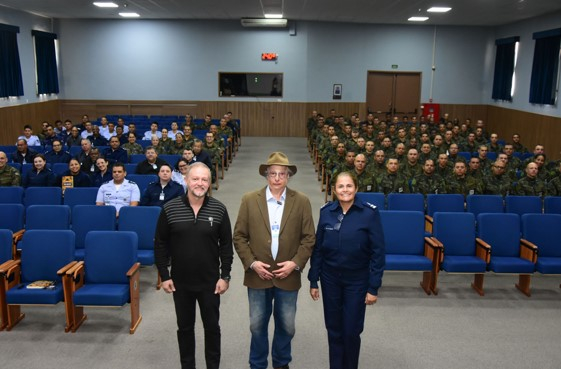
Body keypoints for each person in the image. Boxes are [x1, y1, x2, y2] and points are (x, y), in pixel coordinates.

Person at [233, 152, 315, 369]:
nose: (277, 178)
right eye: (273, 174)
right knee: (257, 325)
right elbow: (239, 236)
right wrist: (252, 263)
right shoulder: (250, 200)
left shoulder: (302, 201)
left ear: (288, 176)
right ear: (266, 175)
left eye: (282, 174)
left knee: (287, 326)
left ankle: (281, 362)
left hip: (288, 276)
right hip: (257, 275)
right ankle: (258, 363)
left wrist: (295, 263)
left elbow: (309, 238)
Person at [155, 162, 233, 369]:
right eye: (195, 179)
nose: (200, 183)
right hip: (180, 283)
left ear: (209, 183)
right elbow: (160, 244)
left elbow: (226, 246)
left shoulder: (219, 209)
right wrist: (165, 275)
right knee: (185, 329)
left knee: (212, 328)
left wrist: (225, 276)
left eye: (204, 179)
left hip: (210, 283)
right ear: (187, 180)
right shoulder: (170, 208)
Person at [308, 171, 385, 369]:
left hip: (357, 280)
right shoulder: (326, 212)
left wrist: (373, 287)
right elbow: (318, 249)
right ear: (334, 190)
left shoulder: (369, 213)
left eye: (349, 186)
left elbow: (378, 252)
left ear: (356, 188)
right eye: (340, 186)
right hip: (329, 279)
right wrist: (313, 279)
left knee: (351, 330)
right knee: (333, 329)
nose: (345, 190)